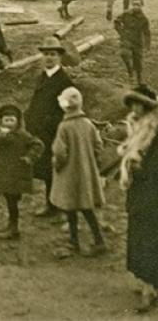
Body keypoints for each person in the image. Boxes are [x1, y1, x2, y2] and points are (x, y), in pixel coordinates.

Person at [50, 86, 107, 258]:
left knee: (70, 208)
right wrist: (92, 162)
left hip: (68, 173)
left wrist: (57, 165)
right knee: (86, 207)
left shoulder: (64, 126)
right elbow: (98, 145)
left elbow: (60, 153)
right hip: (85, 172)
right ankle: (99, 240)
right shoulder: (88, 124)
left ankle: (74, 242)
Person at [118, 85, 158, 313]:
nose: (135, 108)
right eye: (132, 103)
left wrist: (137, 167)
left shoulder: (154, 130)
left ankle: (149, 287)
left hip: (152, 191)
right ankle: (148, 282)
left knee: (149, 236)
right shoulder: (136, 127)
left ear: (147, 106)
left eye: (139, 103)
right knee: (139, 233)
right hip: (140, 190)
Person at [24, 36, 74, 217]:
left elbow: (68, 109)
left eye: (53, 54)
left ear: (59, 57)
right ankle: (52, 205)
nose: (49, 58)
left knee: (54, 170)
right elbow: (37, 102)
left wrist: (50, 123)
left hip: (54, 133)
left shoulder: (64, 81)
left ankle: (56, 206)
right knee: (46, 171)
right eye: (46, 54)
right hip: (39, 132)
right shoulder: (43, 77)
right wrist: (29, 117)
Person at [0, 104, 43, 240]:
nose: (9, 123)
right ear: (2, 122)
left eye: (12, 120)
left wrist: (30, 157)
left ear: (17, 121)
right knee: (9, 199)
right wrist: (1, 137)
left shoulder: (23, 135)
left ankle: (14, 229)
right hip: (4, 174)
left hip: (16, 175)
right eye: (6, 120)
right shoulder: (0, 135)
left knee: (12, 201)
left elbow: (38, 144)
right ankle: (11, 225)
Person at [114, 0, 151, 86]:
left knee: (138, 63)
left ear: (142, 5)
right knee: (124, 53)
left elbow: (147, 33)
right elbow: (116, 22)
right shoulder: (126, 14)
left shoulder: (144, 19)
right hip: (126, 39)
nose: (135, 6)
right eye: (134, 4)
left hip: (138, 42)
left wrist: (147, 46)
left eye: (138, 5)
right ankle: (130, 73)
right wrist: (121, 32)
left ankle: (139, 79)